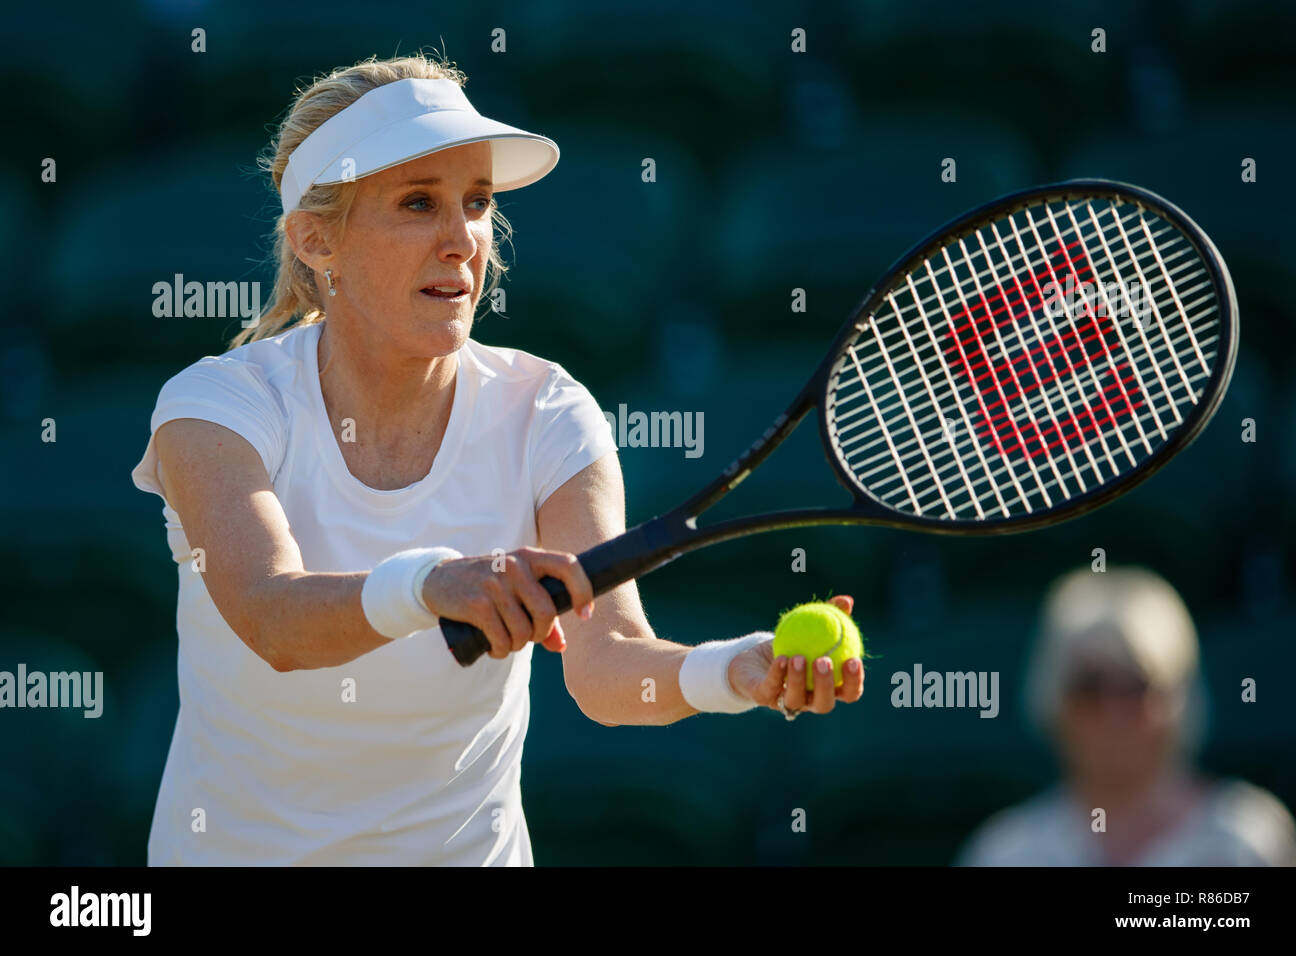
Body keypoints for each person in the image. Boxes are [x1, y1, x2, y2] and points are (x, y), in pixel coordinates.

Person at [130, 52, 864, 866]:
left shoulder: (547, 411)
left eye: (476, 204)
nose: (460, 239)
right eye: (418, 203)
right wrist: (429, 584)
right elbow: (273, 617)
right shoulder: (215, 407)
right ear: (314, 239)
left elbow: (608, 669)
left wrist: (739, 670)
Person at [957, 566, 1296, 866]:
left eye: (1136, 685)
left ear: (1176, 695)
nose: (1114, 710)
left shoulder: (1248, 840)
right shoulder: (1005, 853)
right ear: (1055, 700)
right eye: (1090, 686)